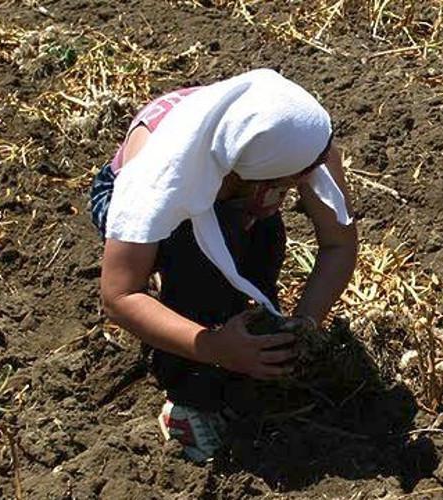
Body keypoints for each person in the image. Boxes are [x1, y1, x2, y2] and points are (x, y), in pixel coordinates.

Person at [89, 69, 358, 462]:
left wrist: (304, 324)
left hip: (234, 189)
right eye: (295, 179)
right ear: (251, 178)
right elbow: (120, 294)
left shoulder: (300, 142)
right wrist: (215, 347)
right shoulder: (156, 178)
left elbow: (338, 243)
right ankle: (187, 402)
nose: (311, 177)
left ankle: (248, 340)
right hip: (143, 200)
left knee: (263, 244)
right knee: (198, 270)